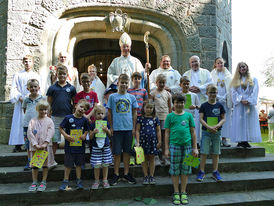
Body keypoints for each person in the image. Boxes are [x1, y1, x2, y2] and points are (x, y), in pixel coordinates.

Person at [164, 94, 198, 205]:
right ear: (173, 104)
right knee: (174, 170)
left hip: (188, 147)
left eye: (181, 102)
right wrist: (166, 149)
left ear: (184, 103)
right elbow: (167, 133)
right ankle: (176, 192)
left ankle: (183, 192)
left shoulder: (188, 116)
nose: (179, 104)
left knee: (186, 170)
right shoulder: (169, 116)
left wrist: (195, 147)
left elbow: (193, 132)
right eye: (177, 102)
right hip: (174, 146)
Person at [107, 74, 139, 185]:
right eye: (122, 82)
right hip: (116, 129)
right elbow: (109, 113)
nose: (124, 85)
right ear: (118, 83)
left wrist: (134, 127)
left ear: (128, 84)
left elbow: (134, 112)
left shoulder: (131, 97)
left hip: (128, 129)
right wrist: (111, 127)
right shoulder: (112, 97)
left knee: (127, 152)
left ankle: (126, 173)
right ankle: (116, 174)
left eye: (126, 83)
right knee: (116, 153)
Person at [9, 55, 41, 153]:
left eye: (29, 61)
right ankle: (18, 144)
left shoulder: (36, 76)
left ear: (33, 62)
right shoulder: (18, 74)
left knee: (31, 122)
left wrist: (33, 97)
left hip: (32, 102)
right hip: (21, 101)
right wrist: (19, 97)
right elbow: (14, 88)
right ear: (23, 63)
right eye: (26, 61)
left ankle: (33, 142)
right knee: (19, 122)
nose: (27, 63)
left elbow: (39, 88)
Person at [59, 99, 90, 191]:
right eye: (81, 107)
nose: (82, 109)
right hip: (69, 147)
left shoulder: (84, 120)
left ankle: (79, 181)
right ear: (76, 106)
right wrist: (66, 135)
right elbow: (60, 128)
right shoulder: (68, 118)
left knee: (79, 165)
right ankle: (65, 181)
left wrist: (84, 135)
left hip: (80, 147)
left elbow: (87, 130)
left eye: (84, 109)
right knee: (68, 165)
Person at [196, 84, 225, 182]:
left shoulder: (220, 105)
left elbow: (223, 118)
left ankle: (215, 171)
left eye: (214, 92)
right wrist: (208, 127)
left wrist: (217, 126)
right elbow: (200, 118)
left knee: (216, 152)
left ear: (217, 93)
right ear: (207, 93)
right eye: (211, 92)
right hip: (206, 132)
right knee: (204, 152)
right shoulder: (203, 105)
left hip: (217, 132)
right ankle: (201, 171)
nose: (213, 94)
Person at [47, 65, 77, 157]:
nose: (62, 76)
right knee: (54, 140)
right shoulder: (52, 88)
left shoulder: (71, 88)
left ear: (67, 75)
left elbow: (74, 102)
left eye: (64, 74)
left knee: (70, 139)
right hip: (55, 117)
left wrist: (74, 114)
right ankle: (51, 160)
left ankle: (70, 159)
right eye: (60, 74)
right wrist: (48, 115)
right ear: (57, 74)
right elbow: (48, 103)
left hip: (68, 117)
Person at [230, 62, 261, 148]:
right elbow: (233, 92)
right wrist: (240, 99)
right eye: (240, 67)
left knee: (248, 121)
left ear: (247, 67)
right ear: (238, 69)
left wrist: (249, 100)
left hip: (249, 105)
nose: (242, 68)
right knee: (239, 122)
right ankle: (240, 140)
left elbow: (255, 91)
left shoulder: (253, 79)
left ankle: (246, 140)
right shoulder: (235, 80)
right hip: (239, 105)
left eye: (243, 66)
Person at [183, 55, 213, 144]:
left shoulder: (206, 72)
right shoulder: (186, 74)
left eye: (196, 61)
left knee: (201, 121)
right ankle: (192, 142)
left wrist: (200, 88)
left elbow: (210, 83)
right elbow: (181, 84)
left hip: (202, 100)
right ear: (190, 63)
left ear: (200, 62)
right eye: (192, 62)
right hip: (190, 101)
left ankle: (202, 142)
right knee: (192, 121)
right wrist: (189, 89)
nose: (194, 64)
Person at [27, 100, 55, 192]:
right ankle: (34, 181)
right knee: (35, 165)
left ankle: (43, 181)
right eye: (41, 109)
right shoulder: (33, 121)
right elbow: (30, 133)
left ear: (48, 110)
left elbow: (51, 132)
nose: (43, 111)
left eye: (45, 109)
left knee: (45, 165)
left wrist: (45, 143)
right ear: (37, 109)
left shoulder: (49, 121)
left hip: (45, 147)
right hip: (35, 148)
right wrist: (35, 144)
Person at [135, 100, 161, 185]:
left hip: (153, 142)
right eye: (147, 107)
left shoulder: (155, 119)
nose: (149, 109)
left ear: (153, 109)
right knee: (144, 159)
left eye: (151, 108)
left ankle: (151, 176)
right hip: (143, 142)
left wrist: (159, 141)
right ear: (143, 108)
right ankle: (146, 176)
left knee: (152, 158)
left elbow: (158, 131)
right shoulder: (140, 118)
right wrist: (137, 142)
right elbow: (137, 131)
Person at [22, 79, 45, 171]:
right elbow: (25, 110)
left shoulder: (41, 99)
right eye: (31, 87)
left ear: (38, 88)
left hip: (39, 125)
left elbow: (44, 111)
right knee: (28, 144)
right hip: (27, 125)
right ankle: (30, 160)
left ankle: (38, 160)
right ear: (28, 89)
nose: (33, 88)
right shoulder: (26, 100)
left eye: (35, 86)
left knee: (39, 142)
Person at [150, 74, 172, 165]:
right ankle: (155, 156)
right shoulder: (153, 93)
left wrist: (170, 118)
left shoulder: (168, 94)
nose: (162, 84)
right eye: (160, 82)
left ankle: (164, 156)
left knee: (164, 137)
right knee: (155, 137)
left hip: (165, 118)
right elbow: (150, 106)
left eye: (163, 82)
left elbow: (169, 107)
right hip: (156, 118)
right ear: (156, 83)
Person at [211, 57, 232, 147]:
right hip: (216, 99)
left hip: (225, 100)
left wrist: (225, 96)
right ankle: (216, 139)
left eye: (222, 63)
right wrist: (218, 96)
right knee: (216, 118)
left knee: (225, 119)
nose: (220, 64)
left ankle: (225, 138)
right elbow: (210, 86)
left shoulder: (228, 74)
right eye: (218, 63)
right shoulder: (212, 74)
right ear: (215, 64)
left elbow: (231, 87)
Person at [90, 105, 112, 189]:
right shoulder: (92, 124)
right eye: (98, 113)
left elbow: (110, 135)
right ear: (95, 115)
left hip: (105, 146)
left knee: (106, 164)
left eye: (102, 113)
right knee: (96, 164)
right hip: (96, 147)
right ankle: (96, 180)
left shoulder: (106, 124)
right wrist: (94, 132)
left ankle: (105, 180)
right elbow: (90, 137)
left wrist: (107, 130)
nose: (100, 115)